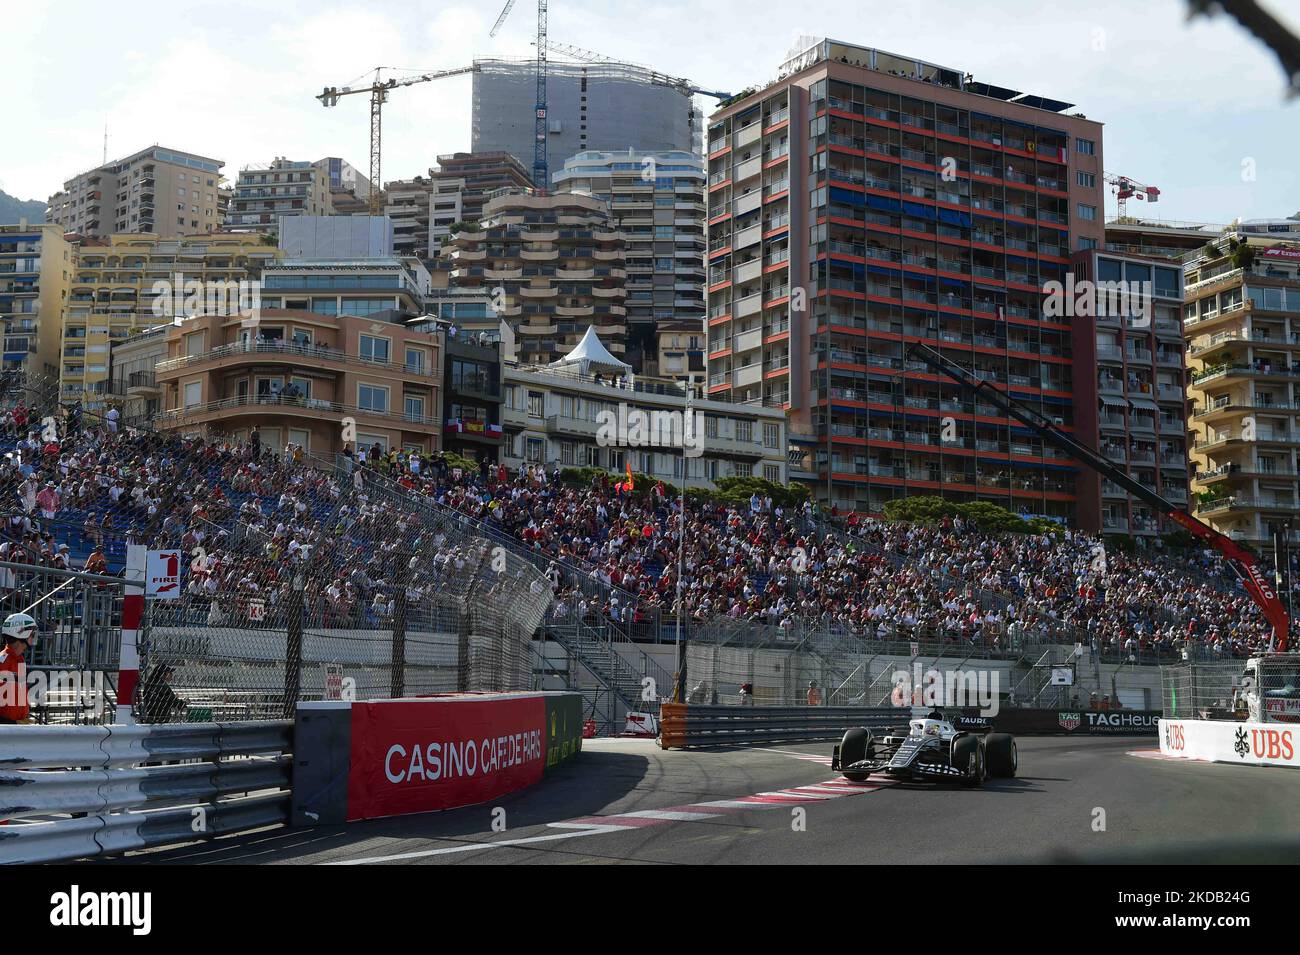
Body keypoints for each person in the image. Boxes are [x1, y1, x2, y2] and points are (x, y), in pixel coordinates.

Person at [0, 612, 37, 724]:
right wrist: (12, 723)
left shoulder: (19, 660)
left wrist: (24, 715)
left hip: (16, 731)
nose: (33, 637)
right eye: (32, 634)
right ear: (22, 633)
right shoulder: (3, 661)